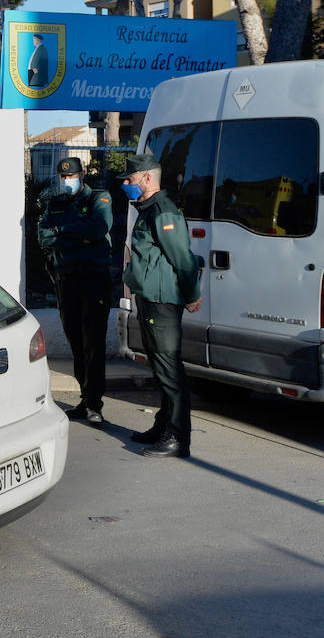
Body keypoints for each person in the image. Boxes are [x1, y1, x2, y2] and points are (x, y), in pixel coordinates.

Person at [121, 151, 202, 459]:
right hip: (150, 298)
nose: (126, 183)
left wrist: (192, 293)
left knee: (169, 368)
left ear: (146, 178)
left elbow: (182, 258)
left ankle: (178, 438)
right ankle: (163, 424)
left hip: (163, 301)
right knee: (160, 367)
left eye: (130, 178)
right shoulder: (148, 209)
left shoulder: (163, 212)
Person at [38, 156, 113, 426]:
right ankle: (84, 399)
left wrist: (62, 233)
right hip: (65, 279)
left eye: (71, 176)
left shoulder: (98, 199)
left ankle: (94, 403)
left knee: (93, 342)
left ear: (82, 175)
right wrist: (75, 236)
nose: (66, 180)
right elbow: (43, 236)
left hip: (93, 279)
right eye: (63, 176)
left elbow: (98, 228)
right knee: (75, 341)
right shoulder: (56, 204)